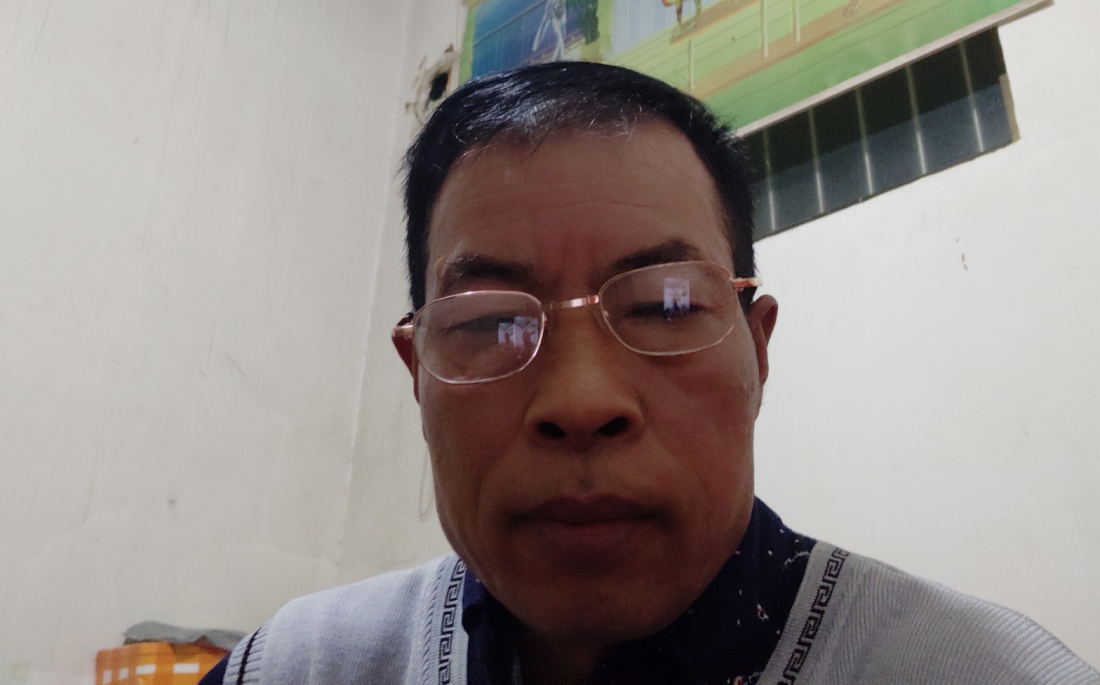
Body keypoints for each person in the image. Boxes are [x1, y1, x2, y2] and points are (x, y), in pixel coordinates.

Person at [203, 62, 1097, 685]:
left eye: (666, 306)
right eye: (488, 320)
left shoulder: (976, 671)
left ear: (758, 352)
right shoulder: (301, 664)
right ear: (417, 373)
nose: (581, 400)